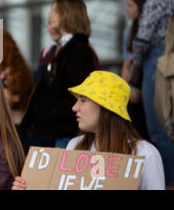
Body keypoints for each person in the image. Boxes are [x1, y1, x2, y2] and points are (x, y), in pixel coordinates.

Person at [13, 71, 165, 190]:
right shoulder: (74, 145)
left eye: (83, 100)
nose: (74, 107)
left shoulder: (146, 154)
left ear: (106, 108)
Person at [21, 0, 97, 152]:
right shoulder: (66, 48)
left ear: (68, 14)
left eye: (55, 10)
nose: (50, 15)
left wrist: (45, 115)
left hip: (59, 133)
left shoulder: (78, 49)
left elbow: (74, 93)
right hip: (52, 131)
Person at [129, 0, 174, 186]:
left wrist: (135, 64)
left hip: (156, 66)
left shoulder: (156, 0)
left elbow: (143, 39)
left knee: (159, 131)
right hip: (169, 65)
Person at [121, 0, 150, 139]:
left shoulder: (151, 31)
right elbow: (126, 64)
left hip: (148, 87)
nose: (127, 9)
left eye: (131, 5)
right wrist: (130, 88)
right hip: (133, 88)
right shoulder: (128, 31)